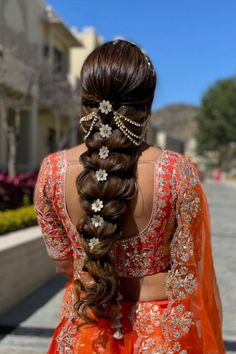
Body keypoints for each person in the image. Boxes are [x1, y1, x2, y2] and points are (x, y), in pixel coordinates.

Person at [34, 40, 225, 354]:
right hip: (161, 335)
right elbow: (188, 271)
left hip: (86, 328)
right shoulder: (176, 172)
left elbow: (65, 264)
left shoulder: (52, 171)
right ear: (146, 102)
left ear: (86, 98)